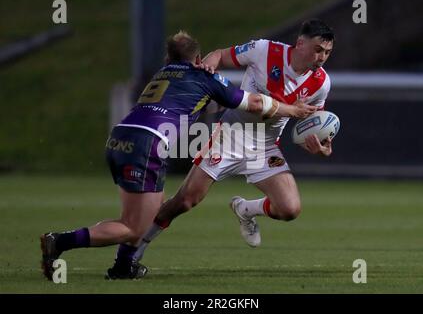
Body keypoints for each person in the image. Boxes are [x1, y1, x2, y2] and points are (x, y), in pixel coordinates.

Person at [40, 31, 316, 280]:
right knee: (135, 226)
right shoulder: (203, 75)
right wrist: (293, 110)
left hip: (120, 137)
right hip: (148, 144)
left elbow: (195, 104)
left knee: (154, 204)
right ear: (197, 58)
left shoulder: (162, 74)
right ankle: (61, 241)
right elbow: (254, 102)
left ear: (168, 57)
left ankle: (124, 268)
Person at [132, 19, 335, 271]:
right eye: (318, 49)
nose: (322, 57)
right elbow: (219, 55)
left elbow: (314, 123)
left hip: (264, 145)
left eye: (327, 52)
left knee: (290, 209)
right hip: (230, 135)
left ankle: (245, 209)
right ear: (300, 43)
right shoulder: (264, 50)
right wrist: (207, 67)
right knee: (185, 201)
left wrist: (319, 146)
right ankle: (134, 250)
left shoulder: (322, 82)